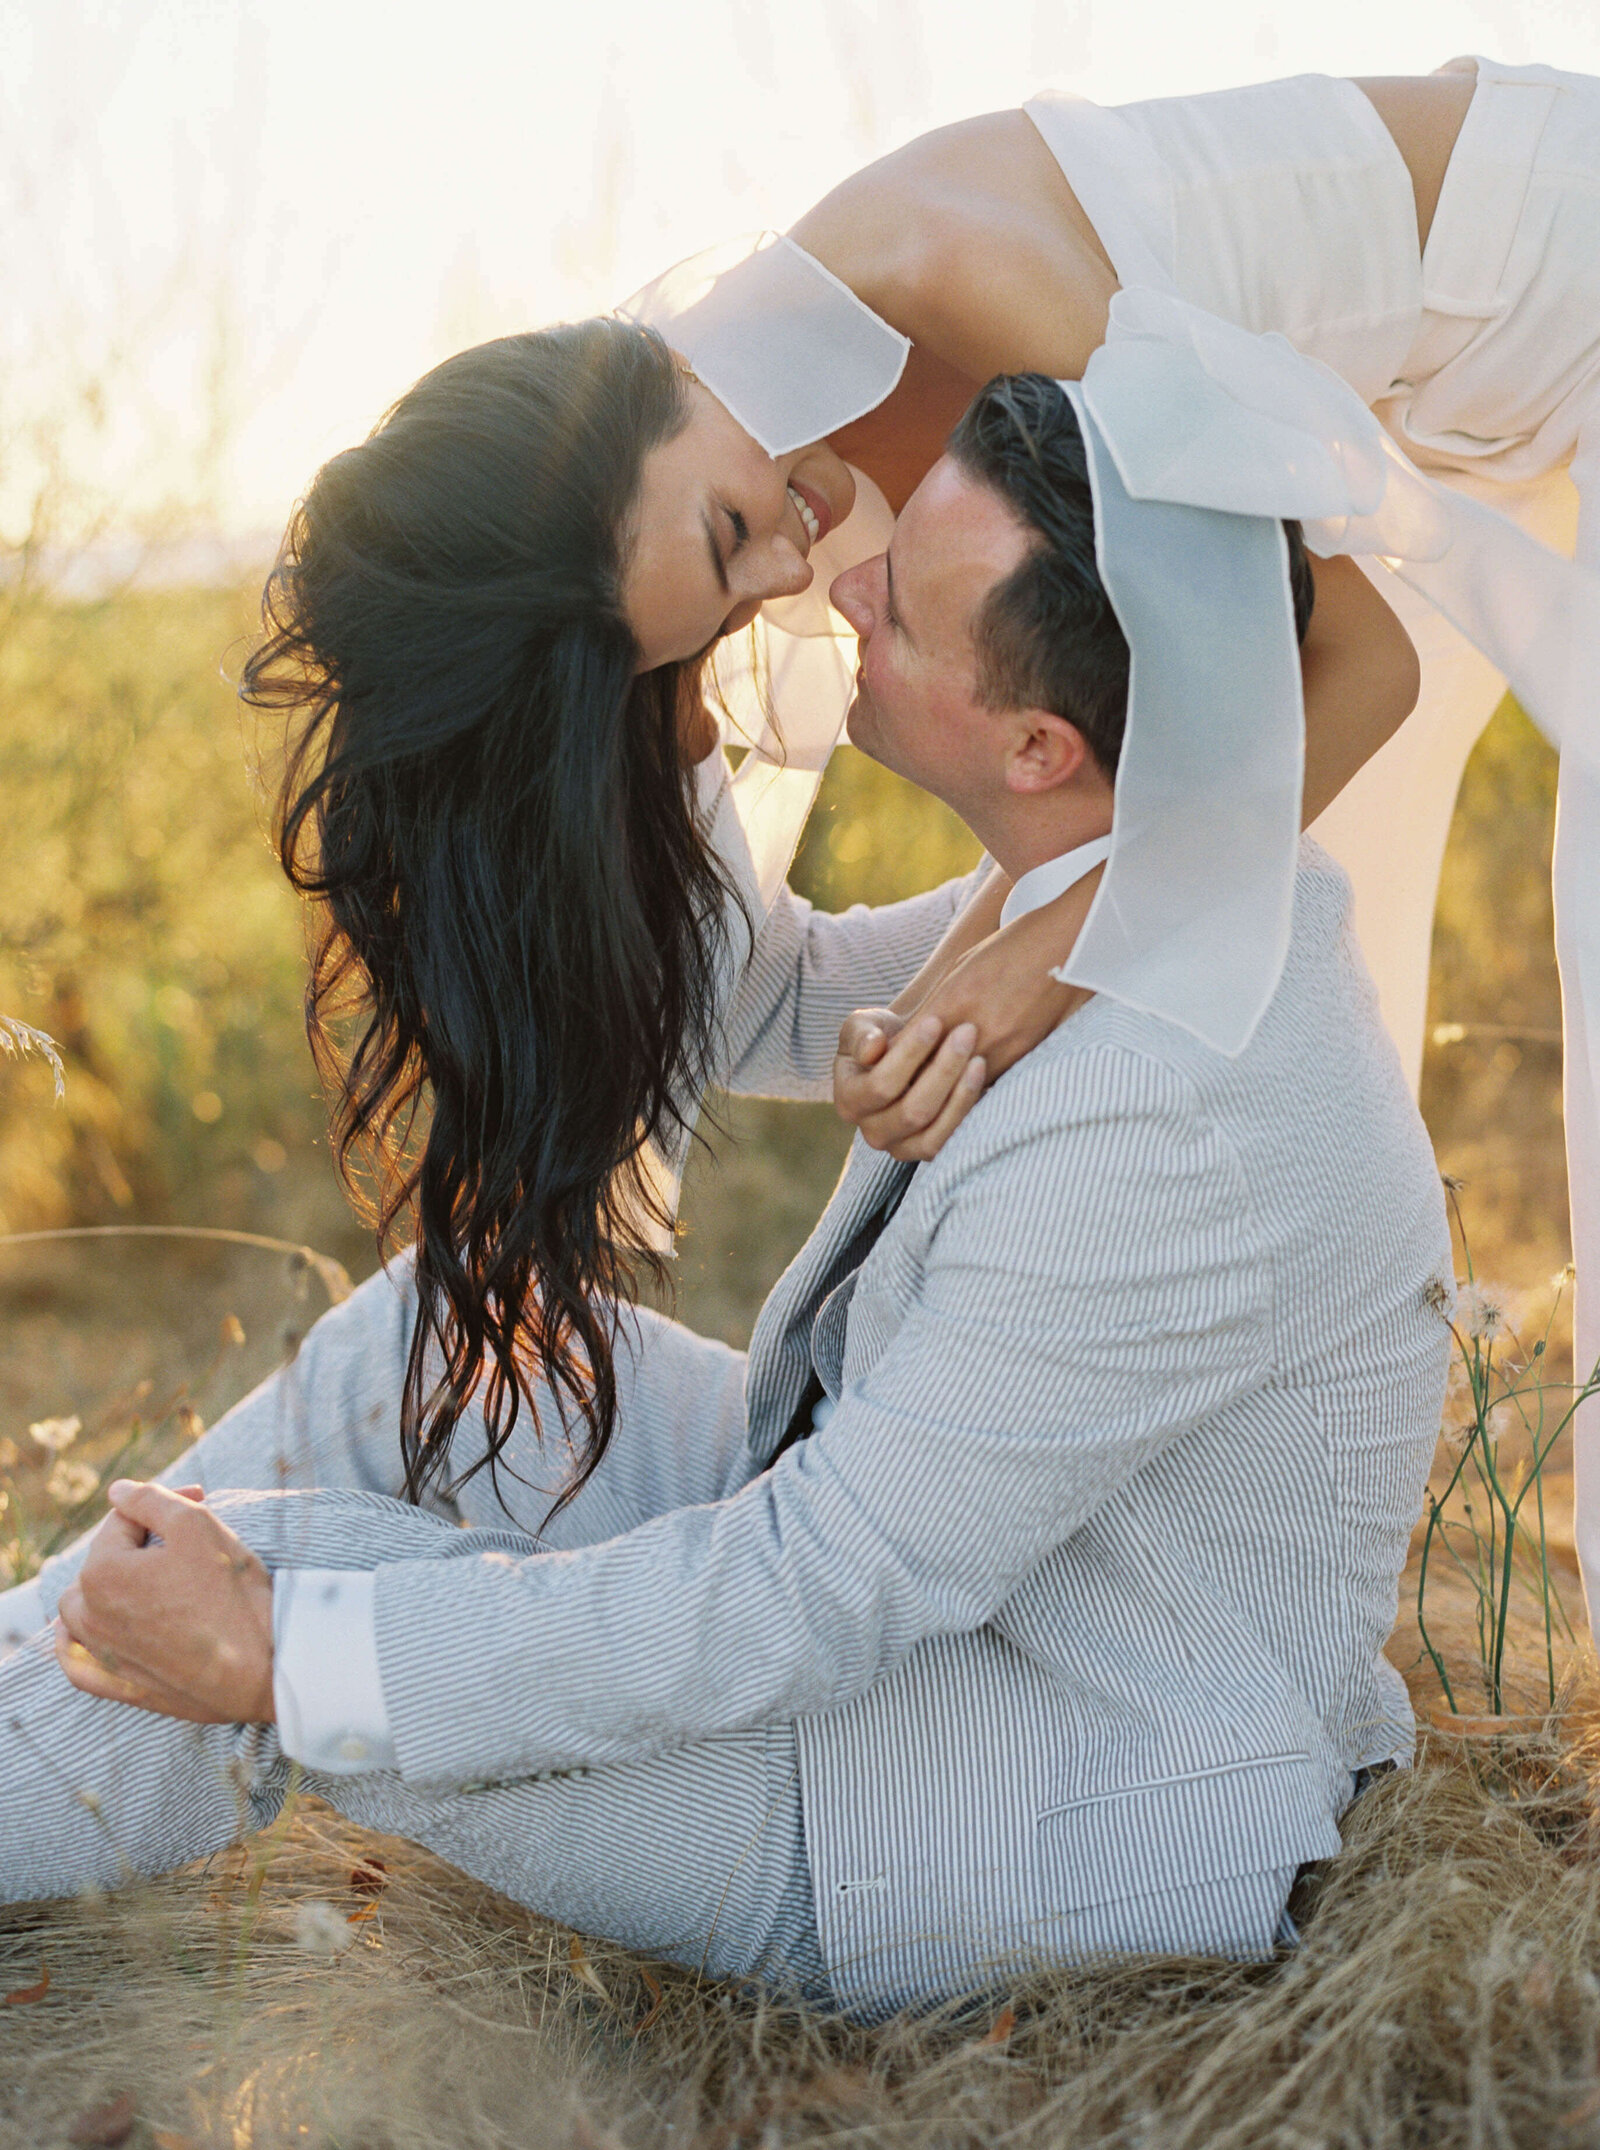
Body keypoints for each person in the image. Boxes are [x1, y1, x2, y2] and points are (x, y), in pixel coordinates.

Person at [0, 370, 1450, 2021]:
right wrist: (657, 678)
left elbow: (817, 1588)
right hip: (932, 1612)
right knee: (422, 1343)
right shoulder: (1102, 885)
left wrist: (288, 1655)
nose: (841, 588)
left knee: (274, 1604)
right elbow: (761, 997)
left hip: (985, 1807)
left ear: (1041, 742)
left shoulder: (1174, 1106)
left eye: (897, 611)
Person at [231, 57, 1600, 1627]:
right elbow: (745, 987)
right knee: (1233, 931)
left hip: (1559, 284)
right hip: (1399, 419)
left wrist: (1037, 962)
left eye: (733, 540)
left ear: (634, 381)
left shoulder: (979, 285)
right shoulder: (727, 455)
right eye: (709, 626)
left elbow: (1356, 673)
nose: (794, 569)